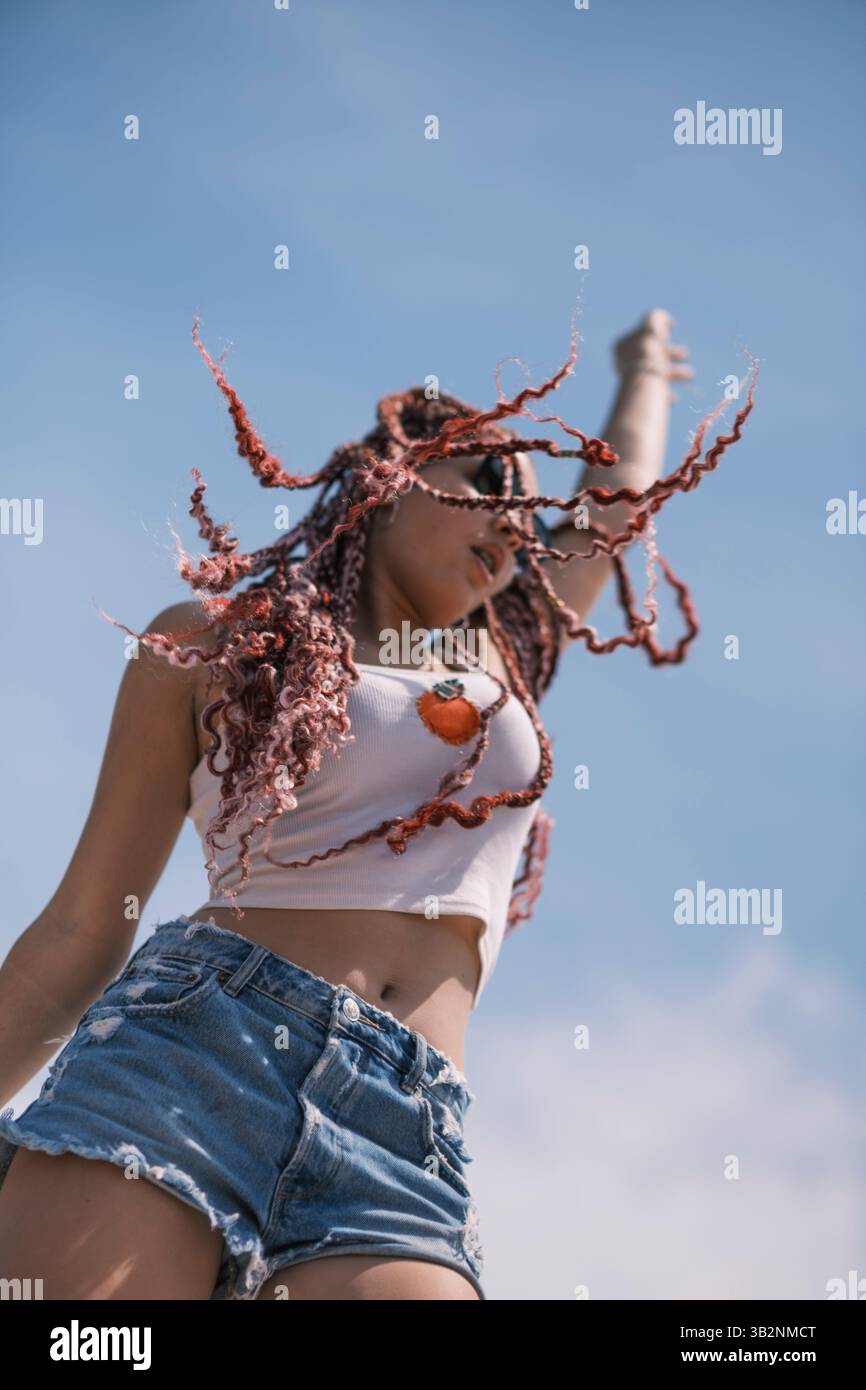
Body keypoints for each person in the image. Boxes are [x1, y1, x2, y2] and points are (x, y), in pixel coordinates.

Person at [0, 309, 755, 1300]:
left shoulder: (501, 659)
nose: (513, 520)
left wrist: (645, 371)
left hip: (398, 1127)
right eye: (490, 478)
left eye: (531, 514)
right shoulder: (217, 642)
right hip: (186, 1058)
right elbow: (87, 921)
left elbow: (610, 507)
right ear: (389, 470)